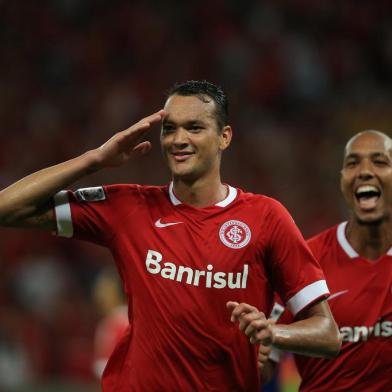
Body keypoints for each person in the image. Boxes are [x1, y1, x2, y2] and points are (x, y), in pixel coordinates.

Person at [0, 80, 341, 391]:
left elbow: (328, 334)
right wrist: (94, 159)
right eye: (170, 129)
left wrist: (273, 332)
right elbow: (7, 209)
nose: (179, 139)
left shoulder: (266, 217)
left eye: (194, 128)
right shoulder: (130, 207)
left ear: (225, 136)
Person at [259, 130, 392, 391]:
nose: (364, 171)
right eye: (352, 163)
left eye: (379, 161)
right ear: (342, 180)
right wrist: (252, 356)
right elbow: (262, 369)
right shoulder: (304, 260)